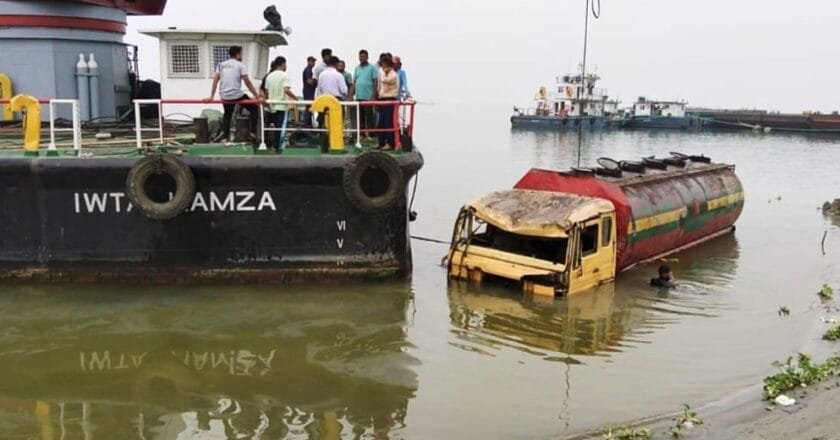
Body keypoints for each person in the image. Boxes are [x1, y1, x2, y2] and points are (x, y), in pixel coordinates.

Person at [207, 46, 260, 143]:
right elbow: (247, 82)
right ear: (238, 54)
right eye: (241, 54)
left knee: (227, 114)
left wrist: (211, 96)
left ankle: (225, 137)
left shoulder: (221, 65)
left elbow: (215, 80)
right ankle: (253, 132)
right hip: (236, 95)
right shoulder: (240, 65)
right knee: (254, 108)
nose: (241, 56)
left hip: (224, 95)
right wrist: (256, 96)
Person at [263, 56, 298, 152]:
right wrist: (295, 98)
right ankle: (277, 147)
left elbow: (266, 92)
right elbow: (286, 90)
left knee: (268, 127)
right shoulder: (284, 76)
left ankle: (268, 145)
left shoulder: (269, 76)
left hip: (271, 105)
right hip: (281, 106)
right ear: (283, 64)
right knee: (280, 128)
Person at [376, 56, 399, 150]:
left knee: (388, 122)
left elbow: (385, 80)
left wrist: (384, 73)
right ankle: (381, 142)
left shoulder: (393, 75)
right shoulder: (383, 73)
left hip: (390, 100)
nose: (382, 66)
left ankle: (390, 143)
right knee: (381, 123)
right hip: (382, 99)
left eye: (383, 64)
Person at [354, 49, 378, 137]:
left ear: (367, 57)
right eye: (360, 56)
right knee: (360, 115)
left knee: (369, 115)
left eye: (364, 56)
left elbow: (375, 81)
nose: (362, 58)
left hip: (368, 96)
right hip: (359, 95)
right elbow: (354, 82)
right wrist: (351, 95)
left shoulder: (372, 68)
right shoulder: (357, 68)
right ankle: (362, 134)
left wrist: (373, 95)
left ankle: (371, 134)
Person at [301, 56, 317, 126]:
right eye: (312, 61)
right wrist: (316, 82)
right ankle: (306, 124)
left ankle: (308, 124)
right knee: (308, 107)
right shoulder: (308, 70)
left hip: (309, 91)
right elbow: (309, 81)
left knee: (310, 107)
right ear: (308, 61)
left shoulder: (309, 70)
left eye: (314, 61)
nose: (313, 63)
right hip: (308, 91)